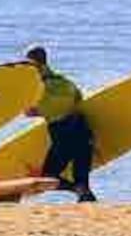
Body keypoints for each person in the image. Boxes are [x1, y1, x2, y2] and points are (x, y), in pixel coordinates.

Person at [24, 45, 97, 203]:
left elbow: (30, 111)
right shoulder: (65, 82)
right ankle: (83, 194)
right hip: (84, 131)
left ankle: (77, 190)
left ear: (33, 63)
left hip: (64, 135)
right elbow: (79, 98)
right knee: (82, 181)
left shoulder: (38, 87)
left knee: (48, 178)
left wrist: (34, 109)